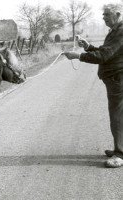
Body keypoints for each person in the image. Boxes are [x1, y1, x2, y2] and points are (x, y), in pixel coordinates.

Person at [64, 3, 123, 168]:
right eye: (103, 15)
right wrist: (88, 47)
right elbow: (106, 51)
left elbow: (103, 56)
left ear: (118, 15)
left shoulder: (121, 32)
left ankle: (120, 154)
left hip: (118, 79)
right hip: (115, 78)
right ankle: (119, 148)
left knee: (117, 116)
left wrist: (78, 56)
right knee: (117, 114)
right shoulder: (116, 31)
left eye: (106, 15)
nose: (103, 17)